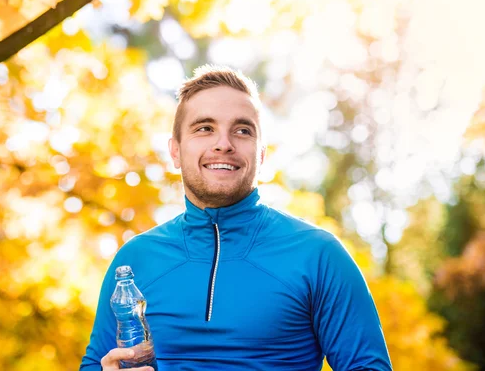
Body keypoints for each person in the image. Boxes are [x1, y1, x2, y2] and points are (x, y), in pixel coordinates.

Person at [80, 65, 392, 371]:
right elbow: (97, 364)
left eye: (242, 131)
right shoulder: (134, 261)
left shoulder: (319, 255)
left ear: (261, 154)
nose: (224, 144)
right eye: (205, 128)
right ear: (175, 151)